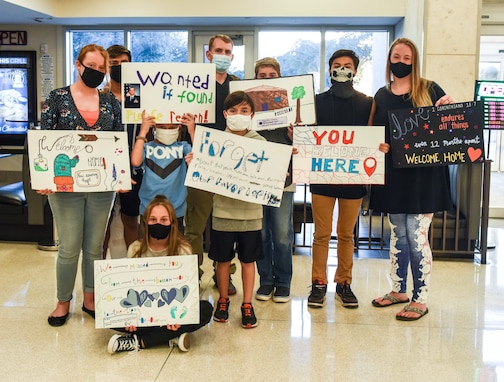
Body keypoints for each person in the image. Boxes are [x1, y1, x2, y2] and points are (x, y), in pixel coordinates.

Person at [369, 38, 453, 321]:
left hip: (424, 176)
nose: (401, 62)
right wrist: (378, 145)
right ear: (389, 59)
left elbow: (448, 125)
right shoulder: (380, 94)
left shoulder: (429, 89)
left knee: (417, 236)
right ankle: (399, 290)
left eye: (407, 58)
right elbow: (375, 134)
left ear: (414, 61)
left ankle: (421, 298)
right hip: (393, 175)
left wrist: (450, 109)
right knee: (399, 234)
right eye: (396, 56)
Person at [38, 44, 123, 326]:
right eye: (92, 66)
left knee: (95, 246)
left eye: (102, 68)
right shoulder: (58, 98)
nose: (97, 72)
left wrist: (120, 177)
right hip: (65, 186)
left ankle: (90, 297)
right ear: (78, 65)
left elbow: (118, 144)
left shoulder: (111, 103)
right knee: (69, 247)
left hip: (102, 187)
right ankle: (63, 301)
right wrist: (44, 179)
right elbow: (45, 141)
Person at [307, 49, 372, 309]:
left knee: (346, 234)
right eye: (337, 65)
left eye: (347, 65)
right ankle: (318, 283)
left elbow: (372, 134)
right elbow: (307, 133)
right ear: (330, 69)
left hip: (353, 177)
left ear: (355, 71)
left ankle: (344, 283)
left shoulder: (367, 103)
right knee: (321, 234)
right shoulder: (317, 101)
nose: (342, 69)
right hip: (322, 175)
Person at [107, 195, 213, 353]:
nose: (158, 223)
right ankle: (170, 336)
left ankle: (140, 341)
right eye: (153, 219)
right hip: (144, 311)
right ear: (145, 223)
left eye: (164, 220)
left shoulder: (183, 250)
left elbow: (189, 293)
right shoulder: (135, 249)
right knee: (106, 312)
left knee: (205, 309)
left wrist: (178, 315)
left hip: (172, 311)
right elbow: (129, 290)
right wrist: (129, 316)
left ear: (172, 223)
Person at [185, 34, 238, 293]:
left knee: (225, 225)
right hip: (199, 163)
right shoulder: (194, 84)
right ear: (208, 54)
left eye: (227, 51)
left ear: (232, 56)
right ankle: (193, 272)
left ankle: (224, 275)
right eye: (218, 50)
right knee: (194, 226)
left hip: (230, 166)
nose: (223, 55)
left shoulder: (239, 87)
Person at [210, 91, 265, 328]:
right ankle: (223, 300)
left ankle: (247, 303)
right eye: (233, 111)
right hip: (222, 212)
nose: (238, 115)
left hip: (251, 214)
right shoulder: (213, 142)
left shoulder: (261, 143)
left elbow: (266, 173)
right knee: (222, 261)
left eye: (244, 111)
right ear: (225, 114)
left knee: (248, 261)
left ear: (251, 115)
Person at [252, 57, 294, 303]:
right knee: (261, 233)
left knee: (281, 233)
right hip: (254, 178)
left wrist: (294, 135)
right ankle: (266, 280)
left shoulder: (291, 106)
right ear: (255, 78)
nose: (267, 79)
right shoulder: (248, 106)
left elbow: (305, 142)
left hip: (284, 177)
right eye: (262, 76)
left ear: (279, 77)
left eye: (271, 75)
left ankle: (283, 281)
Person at [102, 45, 144, 259]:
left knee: (131, 220)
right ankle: (96, 275)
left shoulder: (138, 95)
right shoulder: (99, 97)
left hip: (134, 171)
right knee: (102, 224)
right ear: (107, 66)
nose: (119, 67)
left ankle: (133, 269)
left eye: (124, 63)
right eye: (114, 63)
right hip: (104, 171)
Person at [131, 110, 195, 233]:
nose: (167, 130)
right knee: (146, 248)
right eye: (162, 127)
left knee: (175, 248)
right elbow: (135, 162)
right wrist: (143, 130)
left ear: (179, 127)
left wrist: (192, 130)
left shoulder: (183, 147)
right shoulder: (146, 147)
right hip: (148, 208)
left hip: (176, 209)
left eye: (171, 127)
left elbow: (200, 159)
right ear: (154, 127)